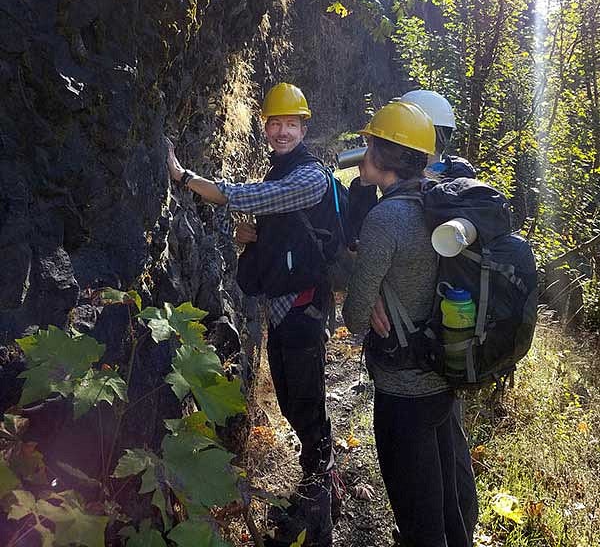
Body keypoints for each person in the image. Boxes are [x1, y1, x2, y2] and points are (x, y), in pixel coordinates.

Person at [167, 82, 336, 547]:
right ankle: (317, 484)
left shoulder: (308, 178)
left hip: (303, 309)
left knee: (306, 400)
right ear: (266, 126)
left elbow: (246, 198)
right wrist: (254, 242)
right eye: (274, 123)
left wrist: (182, 176)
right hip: (285, 308)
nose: (281, 131)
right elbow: (283, 234)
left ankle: (320, 497)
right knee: (292, 397)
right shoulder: (281, 169)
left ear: (305, 127)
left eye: (291, 124)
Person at [341, 100, 478, 547]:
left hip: (403, 389)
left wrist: (372, 289)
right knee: (446, 508)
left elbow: (355, 316)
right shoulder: (438, 203)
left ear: (383, 154)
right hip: (443, 373)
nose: (362, 154)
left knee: (417, 518)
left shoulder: (386, 217)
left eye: (368, 145)